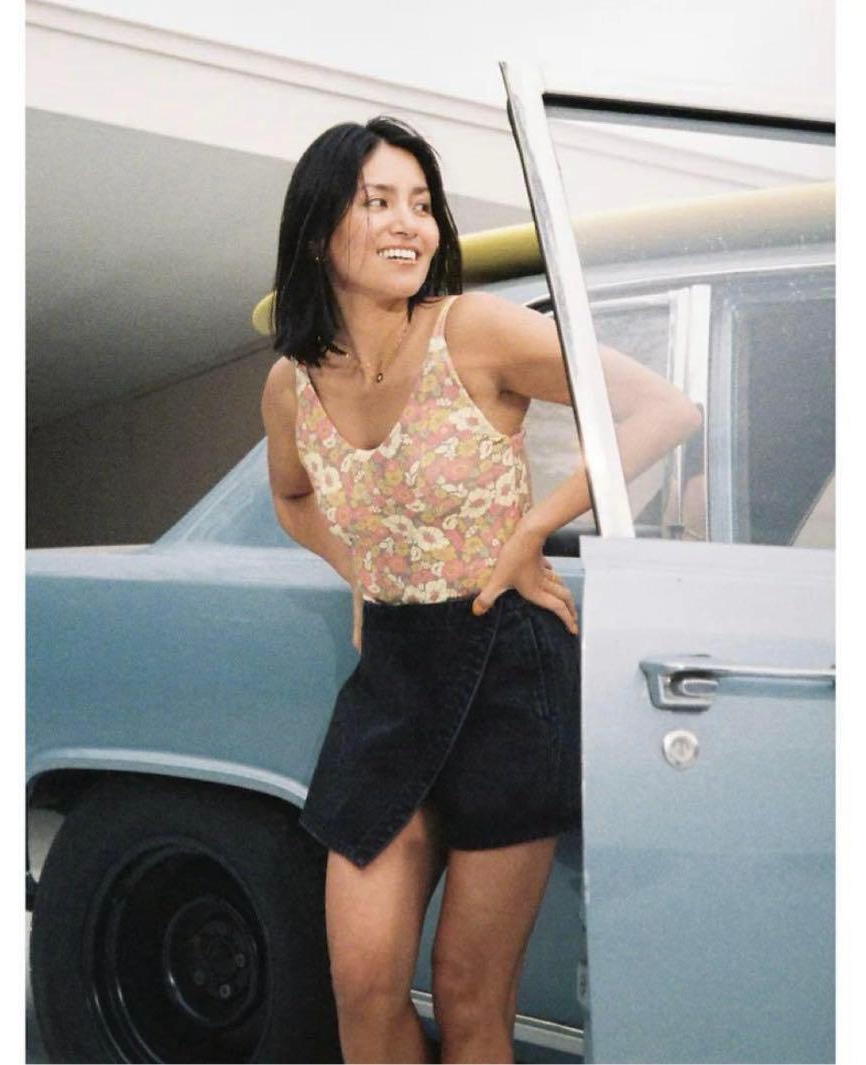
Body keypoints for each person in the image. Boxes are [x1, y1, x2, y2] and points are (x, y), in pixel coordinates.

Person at [260, 116, 701, 1064]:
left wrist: (533, 529)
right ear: (319, 229)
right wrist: (365, 566)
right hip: (391, 682)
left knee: (468, 995)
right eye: (377, 201)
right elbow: (293, 499)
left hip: (508, 669)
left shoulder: (476, 330)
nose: (407, 223)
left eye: (421, 204)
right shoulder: (291, 383)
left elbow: (664, 410)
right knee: (362, 986)